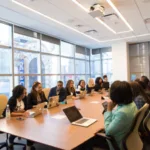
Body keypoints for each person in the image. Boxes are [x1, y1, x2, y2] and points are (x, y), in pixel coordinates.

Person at [81, 81, 137, 150]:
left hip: (117, 143)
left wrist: (109, 110)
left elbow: (108, 132)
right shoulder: (131, 104)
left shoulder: (123, 113)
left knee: (86, 142)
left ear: (115, 95)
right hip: (128, 139)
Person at [8, 85, 34, 150]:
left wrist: (23, 112)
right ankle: (11, 140)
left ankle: (28, 147)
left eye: (25, 93)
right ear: (19, 93)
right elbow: (9, 113)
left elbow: (25, 109)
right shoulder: (12, 99)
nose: (25, 94)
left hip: (22, 119)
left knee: (31, 129)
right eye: (24, 93)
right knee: (18, 129)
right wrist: (21, 113)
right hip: (11, 120)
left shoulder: (24, 99)